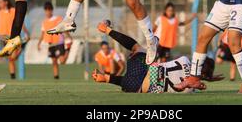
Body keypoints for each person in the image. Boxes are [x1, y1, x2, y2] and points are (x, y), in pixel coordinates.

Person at [92, 20, 223, 93]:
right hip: (135, 88)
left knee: (138, 49)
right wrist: (206, 79)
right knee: (139, 81)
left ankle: (107, 30)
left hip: (143, 73)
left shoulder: (185, 60)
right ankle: (107, 78)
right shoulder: (191, 91)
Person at [0, 0, 30, 79]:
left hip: (11, 37)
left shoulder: (13, 11)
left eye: (1, 2)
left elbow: (19, 22)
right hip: (3, 38)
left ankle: (22, 46)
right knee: (10, 59)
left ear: (6, 2)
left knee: (13, 57)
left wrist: (26, 32)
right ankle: (13, 77)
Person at [37, 1, 70, 79]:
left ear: (51, 10)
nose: (47, 12)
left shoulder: (58, 19)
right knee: (54, 62)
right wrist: (38, 43)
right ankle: (56, 78)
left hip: (59, 42)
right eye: (46, 10)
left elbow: (63, 28)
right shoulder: (44, 22)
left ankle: (68, 49)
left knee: (62, 61)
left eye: (49, 10)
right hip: (50, 44)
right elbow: (42, 33)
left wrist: (68, 36)